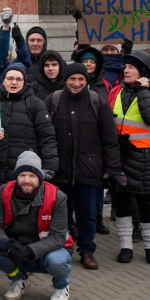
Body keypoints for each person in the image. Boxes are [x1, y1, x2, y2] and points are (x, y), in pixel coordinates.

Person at [46, 62, 124, 269]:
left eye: (81, 79)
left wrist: (112, 168)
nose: (77, 83)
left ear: (86, 81)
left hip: (89, 171)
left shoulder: (98, 103)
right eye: (72, 79)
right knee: (62, 214)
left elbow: (110, 140)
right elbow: (43, 134)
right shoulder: (53, 101)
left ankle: (87, 251)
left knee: (88, 214)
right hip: (60, 171)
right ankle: (65, 247)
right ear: (66, 80)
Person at [0, 151, 73, 300]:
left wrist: (30, 250)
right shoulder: (4, 191)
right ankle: (19, 278)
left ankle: (61, 286)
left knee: (57, 261)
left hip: (47, 251)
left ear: (40, 177)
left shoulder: (57, 196)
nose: (26, 181)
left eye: (32, 176)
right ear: (16, 176)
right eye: (22, 175)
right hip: (16, 248)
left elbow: (58, 237)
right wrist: (7, 244)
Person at [0, 63, 58, 200]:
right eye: (10, 78)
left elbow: (47, 138)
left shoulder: (36, 105)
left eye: (18, 79)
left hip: (26, 171)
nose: (14, 82)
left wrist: (49, 166)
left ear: (24, 82)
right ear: (3, 81)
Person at [110, 50, 150, 263]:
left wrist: (144, 90)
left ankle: (149, 246)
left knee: (146, 204)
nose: (126, 70)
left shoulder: (147, 92)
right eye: (125, 67)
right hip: (120, 156)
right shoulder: (117, 92)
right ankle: (126, 247)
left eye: (132, 67)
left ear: (142, 71)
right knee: (122, 202)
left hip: (143, 157)